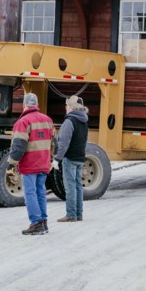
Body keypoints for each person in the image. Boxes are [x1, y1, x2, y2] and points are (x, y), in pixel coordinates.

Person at [5, 92, 54, 235]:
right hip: (43, 163)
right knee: (41, 192)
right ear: (37, 104)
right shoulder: (48, 120)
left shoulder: (23, 122)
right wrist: (50, 159)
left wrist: (11, 164)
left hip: (30, 164)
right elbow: (54, 143)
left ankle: (36, 223)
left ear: (24, 105)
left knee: (30, 193)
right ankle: (43, 222)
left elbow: (18, 146)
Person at [54, 94, 89, 222]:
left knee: (70, 187)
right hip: (80, 158)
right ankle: (79, 214)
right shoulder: (84, 122)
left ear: (71, 107)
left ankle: (71, 215)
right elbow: (85, 141)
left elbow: (63, 143)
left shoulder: (69, 121)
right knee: (78, 187)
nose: (65, 107)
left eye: (67, 105)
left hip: (70, 159)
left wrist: (57, 159)